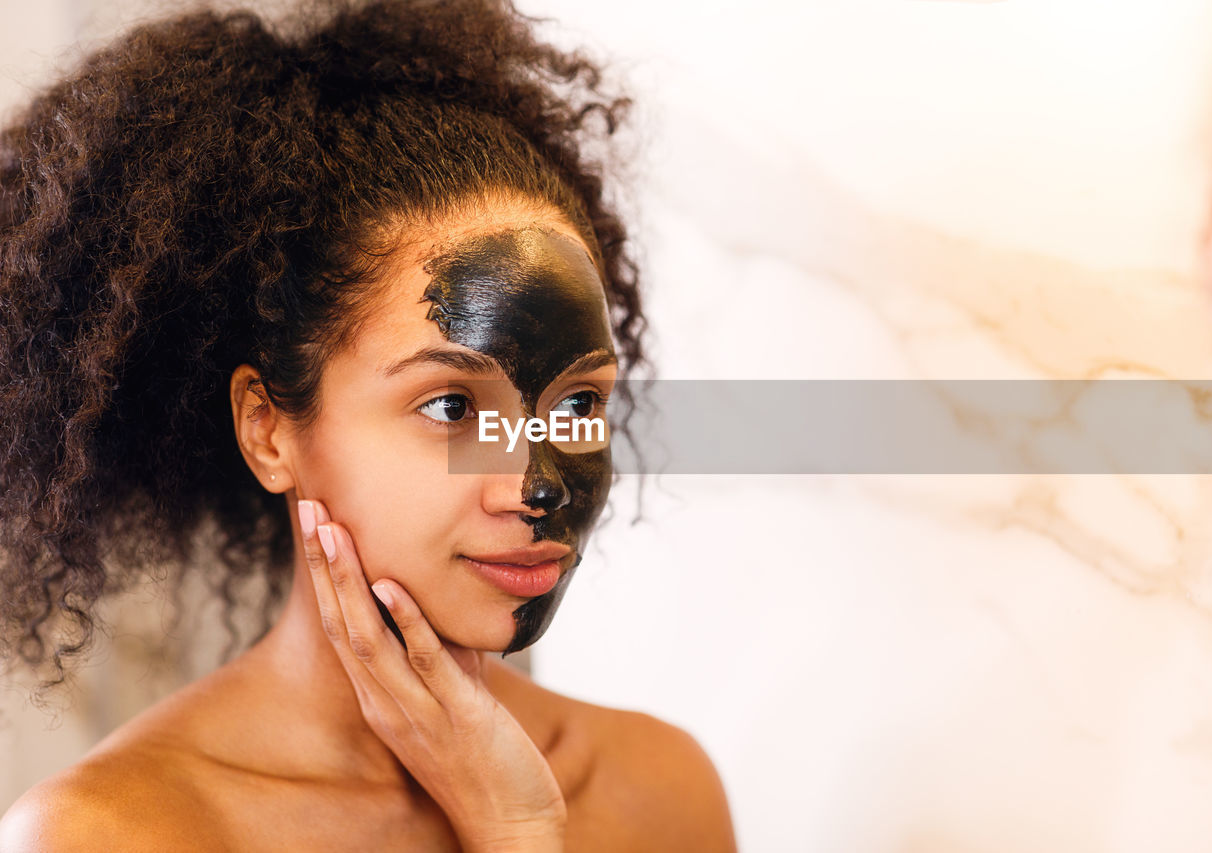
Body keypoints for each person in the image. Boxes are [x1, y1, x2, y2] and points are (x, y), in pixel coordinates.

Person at [0, 0, 737, 849]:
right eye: (453, 407)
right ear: (269, 429)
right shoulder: (117, 832)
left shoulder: (657, 788)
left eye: (576, 406)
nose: (536, 486)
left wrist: (518, 824)